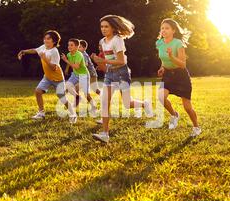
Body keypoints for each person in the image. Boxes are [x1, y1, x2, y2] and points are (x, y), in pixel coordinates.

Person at [91, 15, 154, 143]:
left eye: (106, 26)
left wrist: (102, 60)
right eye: (102, 26)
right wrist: (99, 63)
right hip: (109, 74)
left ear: (113, 27)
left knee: (127, 103)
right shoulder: (102, 42)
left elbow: (120, 61)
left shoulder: (117, 40)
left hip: (121, 73)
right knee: (104, 102)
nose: (103, 29)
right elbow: (107, 63)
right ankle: (105, 134)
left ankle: (144, 104)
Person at [17, 30, 77, 124]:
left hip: (58, 78)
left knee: (62, 97)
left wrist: (45, 58)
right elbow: (35, 50)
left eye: (48, 38)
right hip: (47, 77)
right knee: (38, 91)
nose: (45, 40)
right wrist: (24, 51)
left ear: (54, 41)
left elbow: (53, 68)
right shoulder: (43, 47)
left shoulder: (54, 52)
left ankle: (73, 114)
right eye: (44, 38)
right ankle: (41, 113)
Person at [156, 19, 202, 137]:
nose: (164, 30)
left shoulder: (178, 44)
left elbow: (182, 64)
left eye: (167, 28)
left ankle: (196, 127)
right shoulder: (159, 43)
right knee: (161, 97)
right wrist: (162, 67)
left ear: (173, 30)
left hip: (181, 76)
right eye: (162, 28)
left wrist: (171, 56)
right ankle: (174, 114)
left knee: (187, 107)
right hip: (167, 75)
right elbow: (163, 59)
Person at [61, 38, 98, 117]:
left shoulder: (79, 54)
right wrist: (67, 66)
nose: (69, 47)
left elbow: (76, 66)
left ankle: (94, 106)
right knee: (67, 85)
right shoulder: (68, 54)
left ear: (77, 47)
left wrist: (65, 60)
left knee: (86, 94)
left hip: (83, 75)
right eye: (68, 45)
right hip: (75, 74)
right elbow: (71, 64)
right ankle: (77, 97)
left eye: (71, 45)